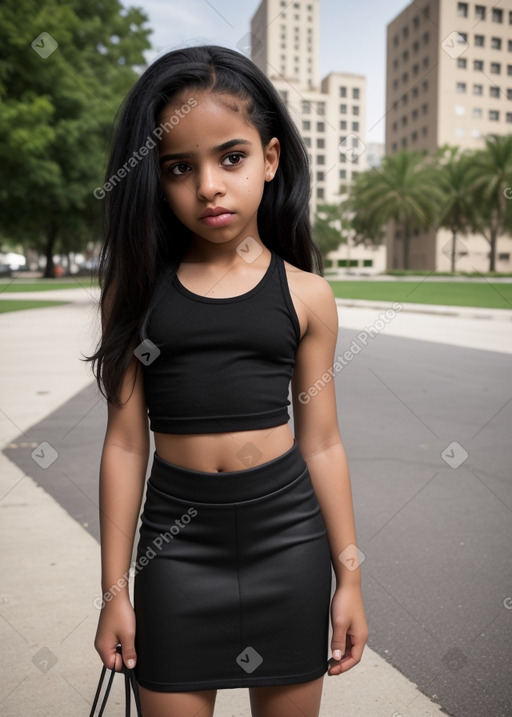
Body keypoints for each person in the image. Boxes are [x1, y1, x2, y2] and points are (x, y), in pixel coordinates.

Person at [86, 44, 368, 717]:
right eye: (179, 168)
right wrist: (114, 591)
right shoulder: (136, 292)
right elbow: (126, 445)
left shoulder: (308, 296)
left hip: (289, 545)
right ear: (155, 178)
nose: (208, 185)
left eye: (231, 157)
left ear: (270, 159)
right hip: (176, 554)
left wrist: (350, 579)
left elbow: (322, 442)